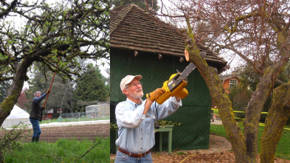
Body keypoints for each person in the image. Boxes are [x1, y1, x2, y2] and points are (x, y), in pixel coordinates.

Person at [114, 75, 185, 163]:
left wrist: (176, 94)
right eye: (134, 85)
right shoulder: (121, 107)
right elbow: (133, 121)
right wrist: (149, 101)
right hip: (125, 158)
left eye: (139, 83)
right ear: (125, 91)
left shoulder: (151, 105)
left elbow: (170, 107)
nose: (139, 86)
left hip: (146, 158)